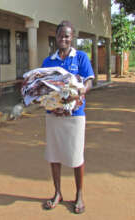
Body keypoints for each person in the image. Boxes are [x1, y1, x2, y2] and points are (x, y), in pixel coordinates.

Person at [41, 21, 94, 214]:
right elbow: (43, 88)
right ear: (55, 37)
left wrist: (79, 93)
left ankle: (79, 194)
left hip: (74, 116)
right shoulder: (48, 61)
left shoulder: (80, 57)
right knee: (54, 155)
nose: (63, 39)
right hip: (53, 116)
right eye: (60, 35)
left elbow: (88, 81)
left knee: (75, 156)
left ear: (72, 38)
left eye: (67, 36)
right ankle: (57, 193)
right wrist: (50, 105)